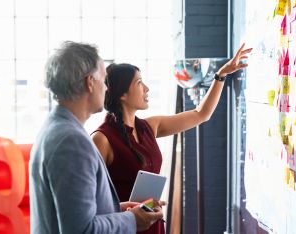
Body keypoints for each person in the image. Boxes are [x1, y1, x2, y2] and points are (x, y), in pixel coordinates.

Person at [91, 43, 252, 234]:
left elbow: (201, 114)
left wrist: (221, 75)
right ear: (122, 95)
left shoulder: (149, 127)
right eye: (139, 83)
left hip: (153, 223)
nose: (147, 88)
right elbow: (89, 203)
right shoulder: (101, 139)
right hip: (125, 227)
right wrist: (125, 210)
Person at [29, 41, 163, 234]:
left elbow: (72, 214)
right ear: (90, 82)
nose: (107, 88)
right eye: (104, 79)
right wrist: (132, 220)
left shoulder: (57, 128)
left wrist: (118, 210)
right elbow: (81, 230)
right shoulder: (71, 142)